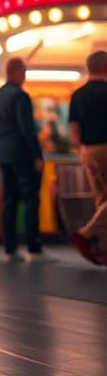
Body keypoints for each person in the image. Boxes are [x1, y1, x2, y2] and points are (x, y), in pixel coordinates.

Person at [0, 58, 53, 263]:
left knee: (9, 201)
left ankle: (10, 249)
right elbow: (27, 128)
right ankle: (34, 249)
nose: (25, 77)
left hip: (3, 154)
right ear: (17, 72)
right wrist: (37, 155)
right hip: (23, 154)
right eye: (24, 72)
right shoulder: (20, 96)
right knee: (30, 199)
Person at [68, 49, 107, 266]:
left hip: (87, 150)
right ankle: (85, 232)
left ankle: (103, 248)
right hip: (106, 147)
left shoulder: (78, 94)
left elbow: (74, 128)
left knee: (102, 199)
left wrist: (81, 149)